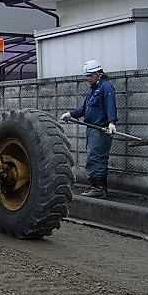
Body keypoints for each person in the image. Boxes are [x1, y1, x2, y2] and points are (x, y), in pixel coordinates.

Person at [61, 59, 118, 198]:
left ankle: (98, 188)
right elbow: (85, 109)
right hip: (92, 128)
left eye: (90, 75)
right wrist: (71, 114)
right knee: (95, 156)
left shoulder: (106, 87)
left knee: (95, 157)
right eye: (86, 76)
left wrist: (111, 122)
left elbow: (111, 105)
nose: (88, 79)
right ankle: (100, 188)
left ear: (98, 74)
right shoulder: (93, 90)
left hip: (101, 129)